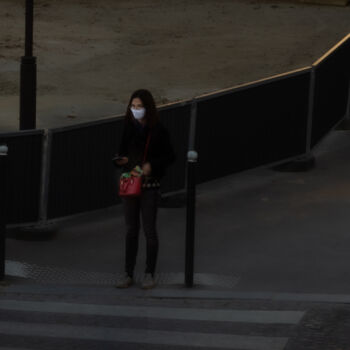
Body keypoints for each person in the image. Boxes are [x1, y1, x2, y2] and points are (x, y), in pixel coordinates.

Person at [114, 89, 176, 289]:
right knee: (131, 230)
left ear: (147, 108)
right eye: (133, 106)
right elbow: (121, 152)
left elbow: (169, 156)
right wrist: (121, 161)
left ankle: (149, 273)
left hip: (149, 185)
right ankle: (128, 272)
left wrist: (151, 166)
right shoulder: (128, 127)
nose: (136, 110)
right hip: (132, 184)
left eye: (139, 106)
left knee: (149, 231)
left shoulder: (158, 130)